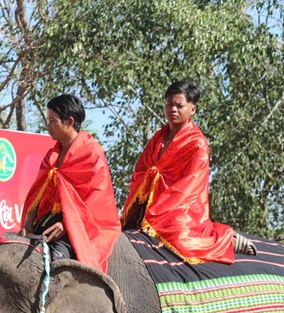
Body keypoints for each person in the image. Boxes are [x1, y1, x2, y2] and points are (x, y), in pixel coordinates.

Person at [120, 80, 252, 264]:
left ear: (192, 109)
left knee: (180, 236)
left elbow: (189, 186)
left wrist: (160, 208)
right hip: (150, 203)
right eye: (169, 104)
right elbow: (140, 170)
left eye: (179, 105)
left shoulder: (197, 144)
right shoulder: (158, 138)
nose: (172, 109)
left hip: (180, 207)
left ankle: (226, 240)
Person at [21, 93, 122, 270]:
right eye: (48, 121)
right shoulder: (51, 156)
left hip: (83, 223)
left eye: (53, 121)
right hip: (52, 218)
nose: (49, 126)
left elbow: (97, 198)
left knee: (57, 261)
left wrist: (66, 224)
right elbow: (38, 194)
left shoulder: (92, 153)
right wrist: (28, 224)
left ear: (69, 122)